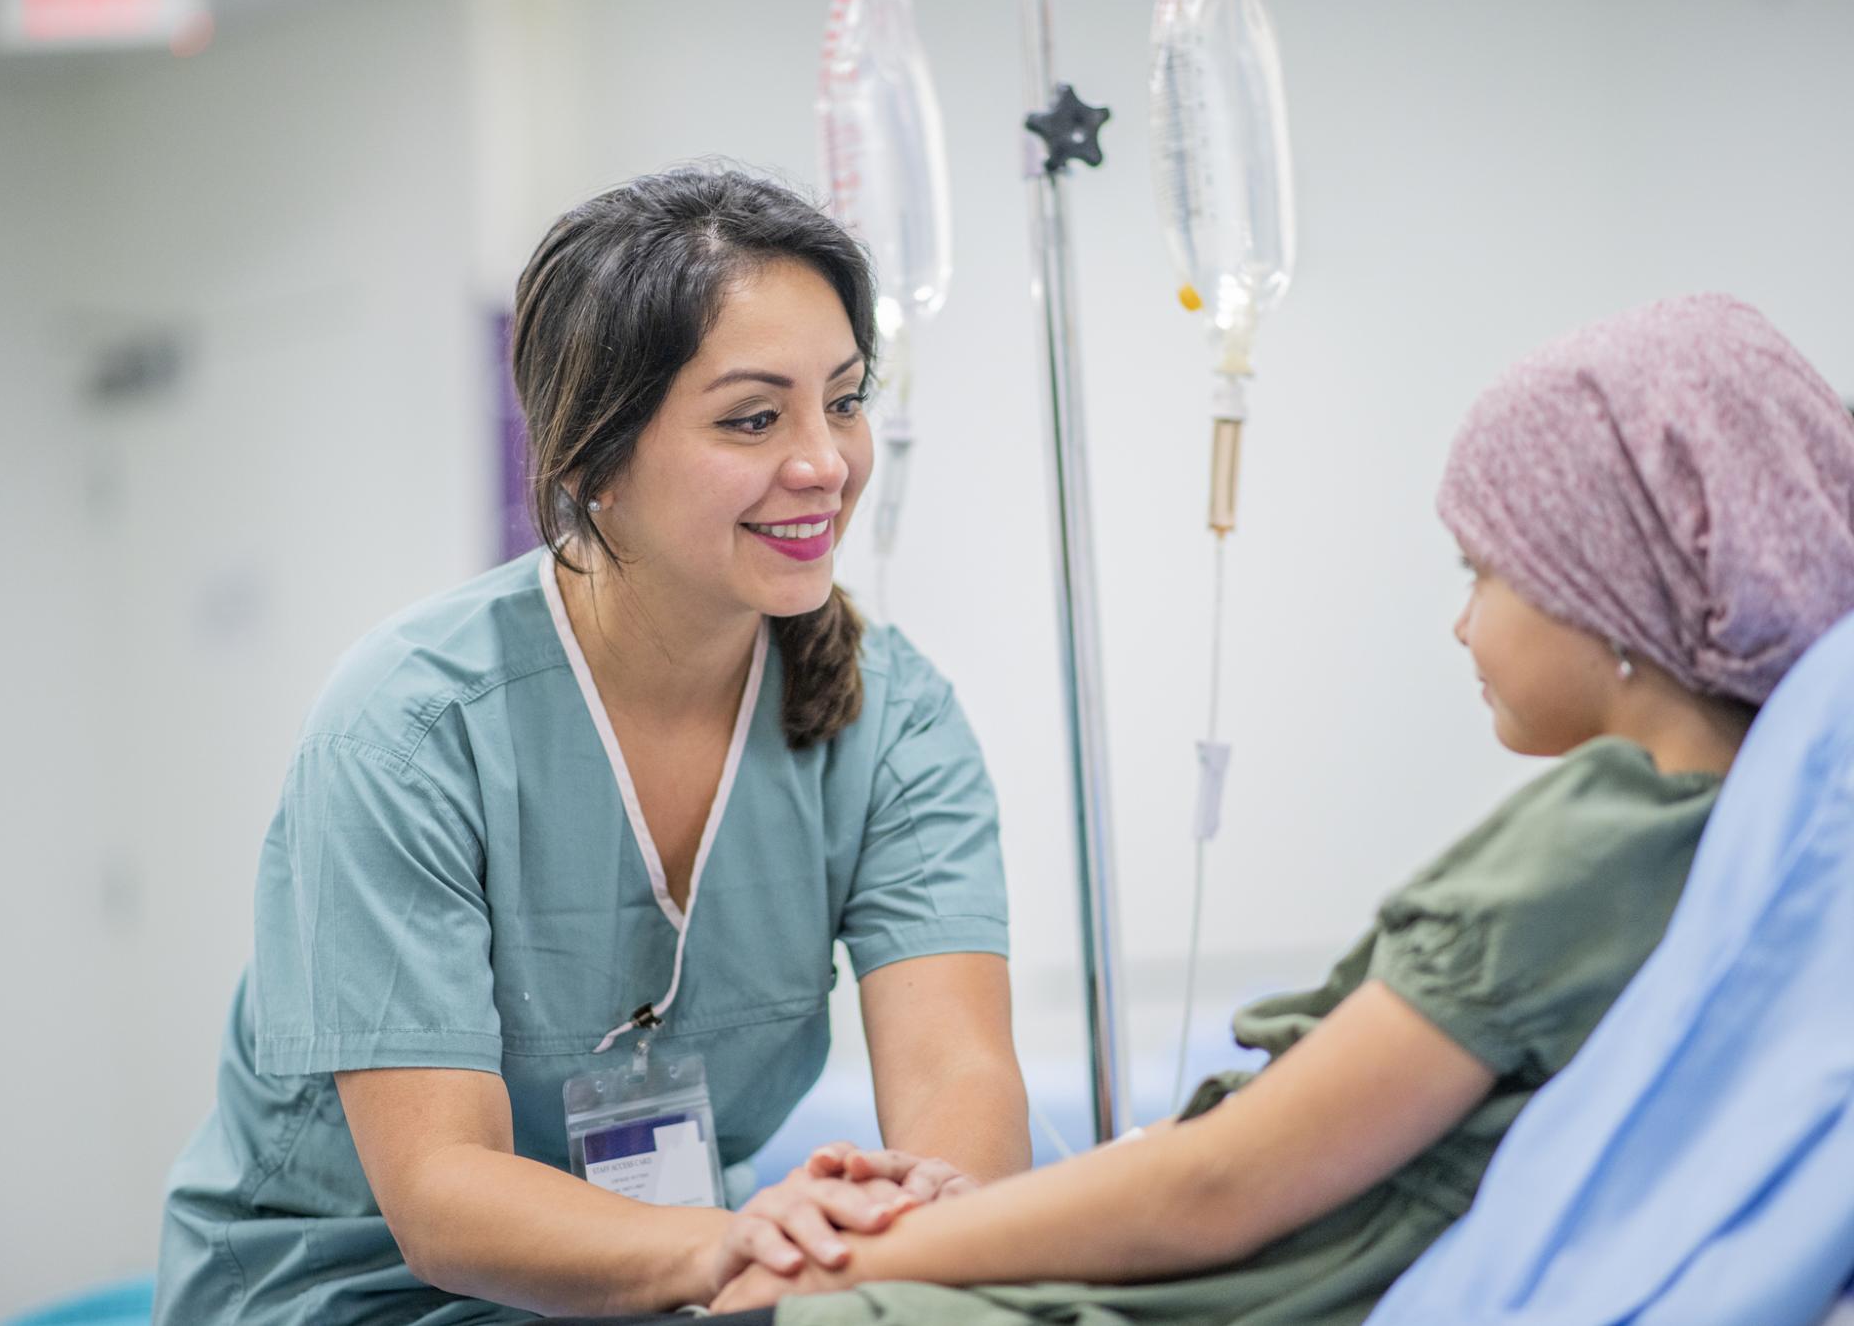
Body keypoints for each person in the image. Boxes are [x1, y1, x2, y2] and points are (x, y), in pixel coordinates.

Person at [705, 294, 1854, 1325]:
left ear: (1607, 582)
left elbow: (1216, 1188)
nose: (1462, 626)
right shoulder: (1768, 847)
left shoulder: (1605, 835)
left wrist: (861, 1262)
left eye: (1480, 573)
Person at [154, 168, 1031, 1326]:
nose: (824, 461)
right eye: (753, 417)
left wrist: (925, 1219)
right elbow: (441, 1197)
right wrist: (736, 1245)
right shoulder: (414, 727)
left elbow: (955, 1073)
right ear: (592, 462)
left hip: (675, 1285)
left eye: (847, 399)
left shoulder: (890, 716)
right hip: (354, 1296)